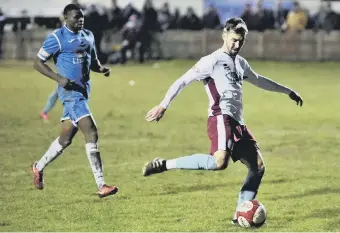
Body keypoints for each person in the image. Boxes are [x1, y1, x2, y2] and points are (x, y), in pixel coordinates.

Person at [142, 17, 303, 224]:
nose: (237, 45)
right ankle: (163, 164)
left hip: (238, 122)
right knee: (219, 162)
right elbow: (183, 80)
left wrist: (288, 91)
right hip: (221, 117)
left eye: (241, 41)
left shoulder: (241, 63)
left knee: (258, 167)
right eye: (234, 39)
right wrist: (164, 105)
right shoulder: (212, 60)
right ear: (225, 35)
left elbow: (260, 80)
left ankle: (239, 215)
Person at [32, 4, 118, 198]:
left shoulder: (88, 35)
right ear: (66, 18)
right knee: (91, 130)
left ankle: (38, 167)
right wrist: (58, 78)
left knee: (65, 138)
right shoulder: (57, 38)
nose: (80, 20)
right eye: (76, 18)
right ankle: (101, 184)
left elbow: (93, 62)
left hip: (83, 92)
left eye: (82, 18)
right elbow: (37, 62)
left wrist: (102, 69)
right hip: (70, 94)